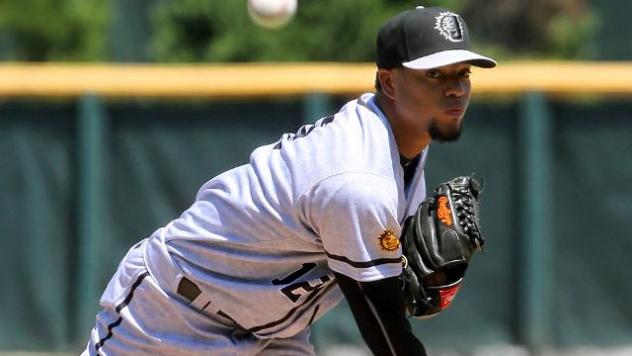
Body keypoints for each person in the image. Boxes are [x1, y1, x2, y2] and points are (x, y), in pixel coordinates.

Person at [81, 6, 495, 356]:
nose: (456, 89)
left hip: (273, 332)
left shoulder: (405, 142)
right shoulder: (357, 178)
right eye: (435, 75)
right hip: (171, 315)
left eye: (463, 74)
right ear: (389, 81)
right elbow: (381, 323)